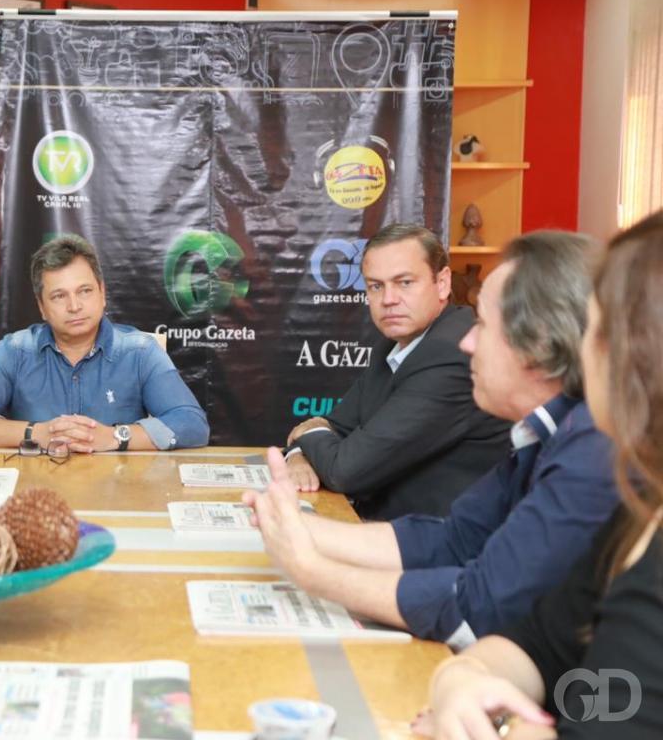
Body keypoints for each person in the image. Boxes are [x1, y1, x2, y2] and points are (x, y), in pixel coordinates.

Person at [246, 231, 618, 650]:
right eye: (376, 286)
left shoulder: (592, 453)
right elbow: (453, 539)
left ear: (541, 341)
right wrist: (296, 527)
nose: (468, 342)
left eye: (484, 325)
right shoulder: (543, 435)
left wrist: (312, 570)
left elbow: (475, 604)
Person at [423, 212, 663, 739]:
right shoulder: (638, 517)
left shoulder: (599, 461)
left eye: (595, 330)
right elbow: (534, 644)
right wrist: (461, 679)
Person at [285, 224, 510, 519]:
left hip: (438, 538)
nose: (388, 299)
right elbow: (335, 426)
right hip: (386, 527)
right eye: (376, 286)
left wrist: (308, 432)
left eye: (404, 282)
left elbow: (345, 470)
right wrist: (298, 455)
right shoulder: (393, 346)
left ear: (443, 283)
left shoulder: (451, 353)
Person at [0, 234, 208, 452]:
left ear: (102, 293)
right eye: (59, 296)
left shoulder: (140, 351)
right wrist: (38, 433)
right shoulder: (14, 351)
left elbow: (192, 424)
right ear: (41, 307)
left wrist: (114, 436)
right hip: (37, 491)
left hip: (116, 490)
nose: (74, 306)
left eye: (85, 291)